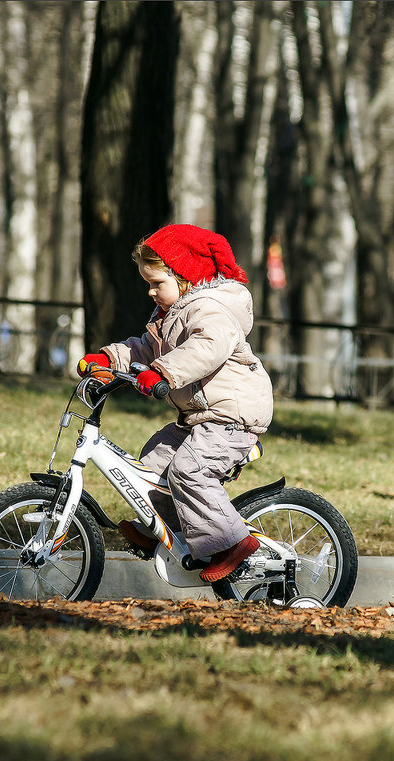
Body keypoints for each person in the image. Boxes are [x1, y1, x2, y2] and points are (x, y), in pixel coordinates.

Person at [77, 224, 273, 583]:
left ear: (185, 277)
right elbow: (145, 349)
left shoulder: (210, 310)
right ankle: (164, 529)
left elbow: (206, 347)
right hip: (200, 416)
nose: (150, 292)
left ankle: (231, 543)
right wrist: (109, 360)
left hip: (232, 414)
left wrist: (163, 372)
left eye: (156, 283)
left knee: (189, 471)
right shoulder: (167, 316)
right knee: (155, 459)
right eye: (147, 284)